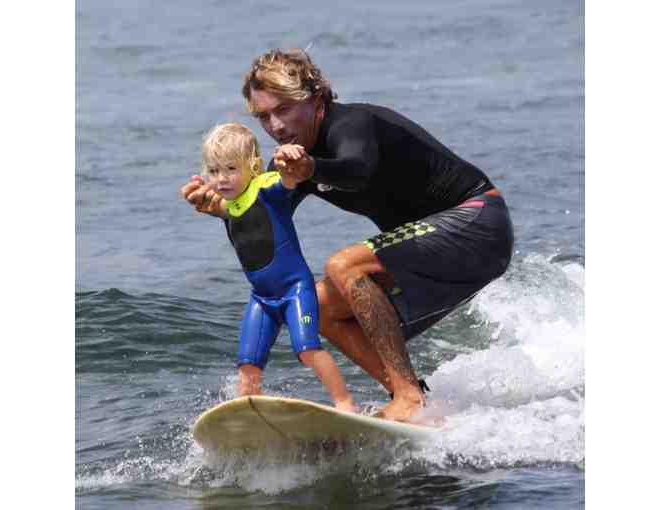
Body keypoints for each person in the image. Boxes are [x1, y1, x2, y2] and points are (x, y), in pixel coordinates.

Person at [182, 49, 513, 423]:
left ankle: (406, 397)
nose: (274, 125)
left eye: (285, 109)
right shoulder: (289, 163)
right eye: (263, 116)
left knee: (343, 265)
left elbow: (358, 171)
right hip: (432, 251)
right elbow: (265, 224)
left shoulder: (352, 124)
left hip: (478, 222)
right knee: (318, 306)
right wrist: (224, 211)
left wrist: (310, 168)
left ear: (316, 96)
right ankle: (416, 402)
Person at [192, 122, 355, 413]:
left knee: (307, 350)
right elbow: (218, 207)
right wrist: (197, 196)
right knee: (248, 364)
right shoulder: (229, 205)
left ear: (253, 166)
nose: (221, 179)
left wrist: (289, 159)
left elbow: (288, 181)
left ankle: (344, 402)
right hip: (262, 298)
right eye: (214, 171)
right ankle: (247, 414)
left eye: (231, 169)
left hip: (295, 290)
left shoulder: (266, 187)